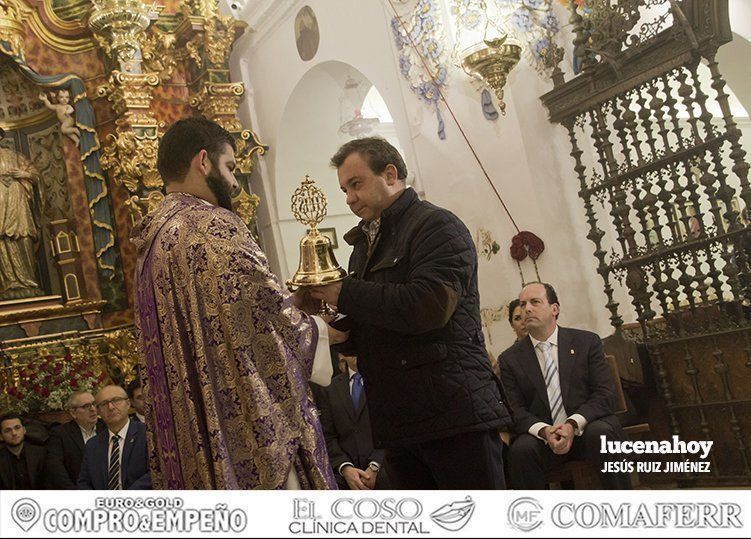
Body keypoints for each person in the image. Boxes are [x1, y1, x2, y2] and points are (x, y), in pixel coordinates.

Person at [131, 117, 345, 489]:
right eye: (229, 166)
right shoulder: (215, 226)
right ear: (203, 161)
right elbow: (270, 320)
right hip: (243, 438)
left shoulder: (153, 242)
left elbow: (227, 317)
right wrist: (324, 330)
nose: (233, 182)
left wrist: (288, 303)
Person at [310, 137, 512, 489]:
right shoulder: (364, 246)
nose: (349, 198)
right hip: (398, 420)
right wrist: (327, 327)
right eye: (344, 189)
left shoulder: (436, 226)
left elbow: (427, 307)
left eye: (355, 184)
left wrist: (343, 291)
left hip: (453, 413)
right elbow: (377, 319)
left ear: (390, 174)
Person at [498, 282, 632, 489]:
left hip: (586, 428)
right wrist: (545, 431)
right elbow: (515, 410)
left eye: (535, 302)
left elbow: (605, 394)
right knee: (521, 450)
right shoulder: (510, 359)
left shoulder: (586, 342)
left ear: (554, 309)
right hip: (544, 437)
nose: (527, 309)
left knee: (601, 434)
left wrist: (571, 425)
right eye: (523, 305)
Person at [318, 349, 389, 490]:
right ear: (341, 355)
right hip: (344, 478)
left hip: (386, 469)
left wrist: (375, 465)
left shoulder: (386, 381)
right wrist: (345, 468)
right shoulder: (329, 389)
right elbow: (327, 434)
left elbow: (394, 426)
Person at [77, 385, 151, 490]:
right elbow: (84, 483)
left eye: (116, 400)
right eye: (104, 404)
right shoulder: (92, 445)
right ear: (98, 411)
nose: (111, 407)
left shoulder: (147, 434)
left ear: (128, 403)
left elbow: (154, 473)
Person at [0, 127, 44, 300]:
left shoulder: (14, 155)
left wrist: (23, 174)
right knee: (2, 240)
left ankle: (27, 280)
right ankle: (6, 283)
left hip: (17, 201)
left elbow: (35, 175)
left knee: (23, 236)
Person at [45, 391, 105, 489]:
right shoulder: (60, 434)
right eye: (86, 406)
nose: (93, 409)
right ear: (73, 413)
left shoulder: (105, 428)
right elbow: (56, 470)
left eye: (94, 404)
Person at [0, 413, 46, 489]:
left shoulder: (41, 454)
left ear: (24, 430)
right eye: (8, 430)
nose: (14, 433)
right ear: (1, 436)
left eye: (17, 428)